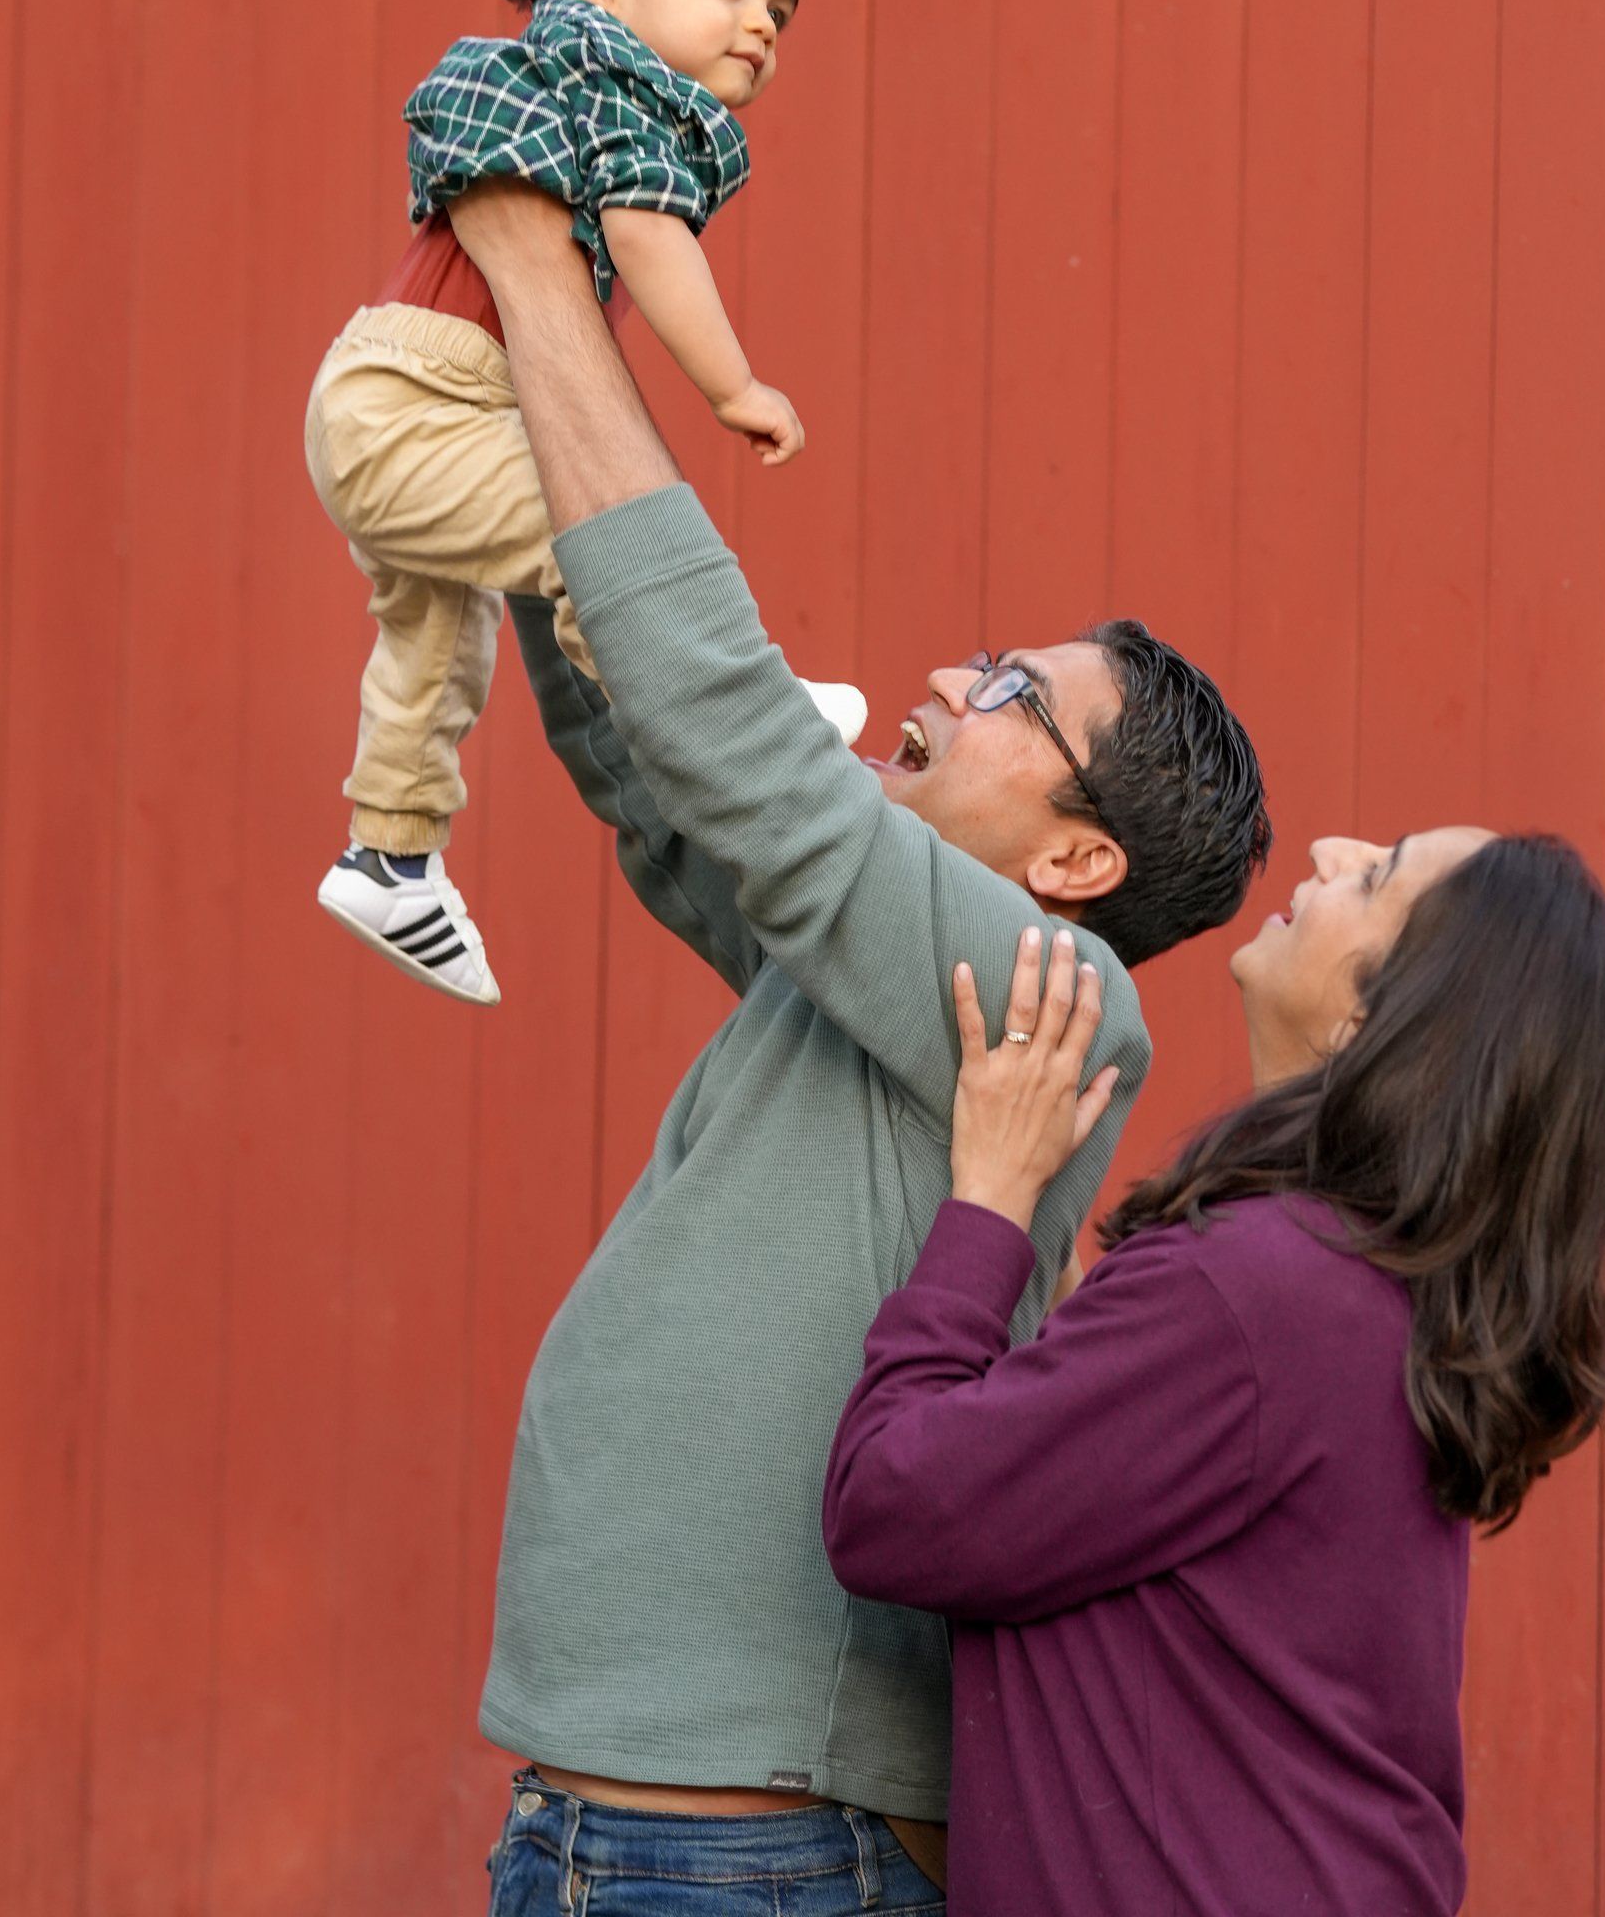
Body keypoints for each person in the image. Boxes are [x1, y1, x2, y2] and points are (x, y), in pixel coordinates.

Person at [436, 177, 1269, 1915]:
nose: (957, 677)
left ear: (1076, 862)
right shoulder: (896, 978)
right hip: (641, 1837)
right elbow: (674, 798)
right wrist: (524, 512)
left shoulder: (1050, 990)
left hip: (747, 1853)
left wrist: (539, 278)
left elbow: (744, 754)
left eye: (1013, 697)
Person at [824, 828, 1605, 1916]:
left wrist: (988, 1203)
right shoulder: (1349, 1289)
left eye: (1376, 872)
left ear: (1372, 1017)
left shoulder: (1264, 1289)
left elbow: (889, 1506)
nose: (1328, 847)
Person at [305, 0, 858, 1006]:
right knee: (601, 536)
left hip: (395, 400)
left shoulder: (561, 79)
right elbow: (652, 238)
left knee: (435, 637)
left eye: (780, 8)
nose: (761, 24)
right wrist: (733, 386)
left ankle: (390, 856)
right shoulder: (607, 79)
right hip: (427, 403)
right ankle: (729, 708)